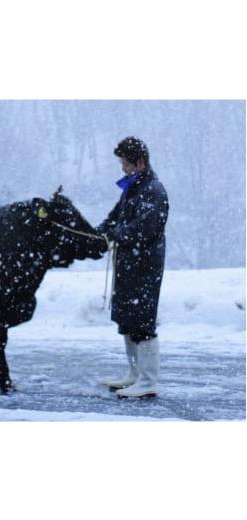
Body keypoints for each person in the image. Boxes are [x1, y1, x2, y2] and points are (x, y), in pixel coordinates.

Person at [97, 136, 169, 398]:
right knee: (127, 320)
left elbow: (145, 228)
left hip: (145, 266)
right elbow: (115, 217)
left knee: (143, 323)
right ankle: (134, 375)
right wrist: (98, 233)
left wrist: (115, 234)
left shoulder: (153, 191)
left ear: (140, 163)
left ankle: (148, 382)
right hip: (128, 265)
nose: (122, 168)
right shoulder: (132, 189)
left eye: (125, 163)